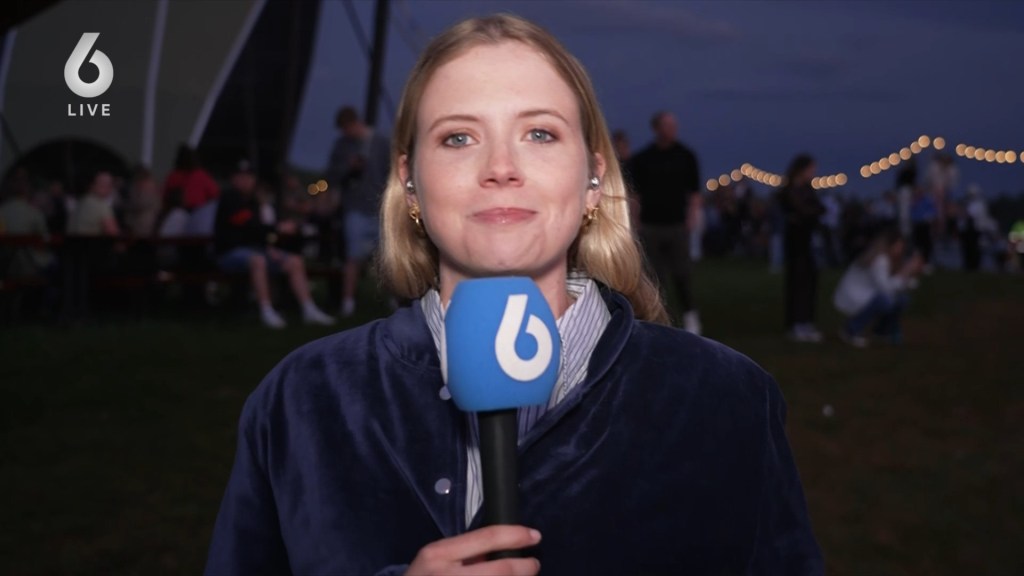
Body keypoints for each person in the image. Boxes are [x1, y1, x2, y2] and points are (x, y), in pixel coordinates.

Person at [206, 14, 822, 575]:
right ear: (409, 182)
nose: (501, 167)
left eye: (540, 134)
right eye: (458, 138)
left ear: (593, 177)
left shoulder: (725, 400)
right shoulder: (303, 402)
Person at [212, 160, 335, 329]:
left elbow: (257, 233)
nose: (245, 180)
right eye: (241, 176)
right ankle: (266, 310)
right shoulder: (230, 199)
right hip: (229, 253)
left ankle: (309, 308)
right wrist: (277, 228)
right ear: (234, 179)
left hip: (255, 250)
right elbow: (249, 227)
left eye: (249, 177)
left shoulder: (253, 202)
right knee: (258, 260)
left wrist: (270, 248)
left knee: (294, 261)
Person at [628, 111, 702, 333]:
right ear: (656, 128)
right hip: (651, 225)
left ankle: (690, 317)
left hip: (677, 225)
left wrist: (691, 218)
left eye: (673, 125)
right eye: (667, 125)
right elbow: (635, 195)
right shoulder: (643, 159)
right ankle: (658, 319)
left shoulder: (686, 156)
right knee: (654, 276)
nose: (671, 129)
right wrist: (635, 221)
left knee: (682, 274)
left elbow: (694, 192)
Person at [325, 106, 391, 317]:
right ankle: (348, 302)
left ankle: (394, 300)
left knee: (388, 258)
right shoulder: (342, 145)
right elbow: (331, 176)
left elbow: (393, 172)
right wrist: (348, 167)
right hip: (355, 208)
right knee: (353, 257)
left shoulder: (381, 142)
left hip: (380, 209)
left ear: (355, 122)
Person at [834, 227, 922, 347]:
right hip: (854, 296)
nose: (901, 249)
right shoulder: (880, 260)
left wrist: (905, 279)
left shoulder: (884, 258)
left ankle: (882, 330)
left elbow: (888, 283)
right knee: (885, 301)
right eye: (899, 245)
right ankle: (850, 330)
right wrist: (905, 273)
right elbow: (885, 288)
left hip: (864, 294)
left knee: (902, 300)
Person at [777, 154, 825, 343]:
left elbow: (817, 209)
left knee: (810, 280)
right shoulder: (789, 191)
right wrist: (807, 212)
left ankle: (807, 321)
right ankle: (796, 323)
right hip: (796, 241)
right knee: (797, 281)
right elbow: (801, 210)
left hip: (808, 240)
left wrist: (808, 213)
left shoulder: (807, 189)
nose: (813, 172)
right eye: (811, 169)